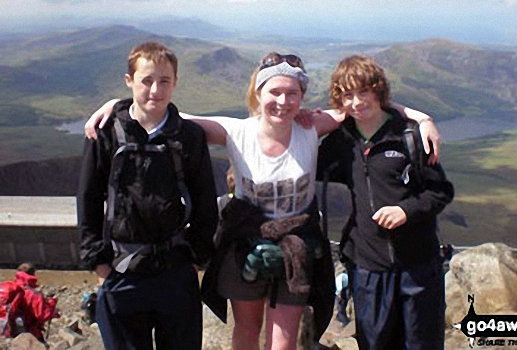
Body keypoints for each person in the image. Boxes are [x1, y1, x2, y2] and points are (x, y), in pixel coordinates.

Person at [85, 51, 441, 350]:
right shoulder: (235, 132)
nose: (283, 102)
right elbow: (160, 110)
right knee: (246, 330)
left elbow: (364, 104)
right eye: (275, 92)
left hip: (296, 246)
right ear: (259, 93)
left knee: (283, 341)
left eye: (292, 93)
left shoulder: (311, 126)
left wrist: (420, 117)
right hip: (245, 243)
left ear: (302, 97)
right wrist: (117, 103)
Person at [77, 42, 218, 350]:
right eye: (146, 80)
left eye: (164, 81)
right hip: (121, 271)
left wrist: (195, 260)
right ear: (129, 82)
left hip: (176, 272)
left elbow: (206, 201)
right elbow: (88, 198)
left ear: (175, 83)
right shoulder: (106, 132)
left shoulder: (189, 137)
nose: (156, 90)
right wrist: (99, 265)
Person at [317, 55, 455, 350]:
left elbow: (440, 191)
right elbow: (300, 160)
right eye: (347, 95)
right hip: (368, 268)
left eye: (363, 92)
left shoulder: (410, 137)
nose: (356, 102)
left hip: (418, 265)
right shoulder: (339, 142)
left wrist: (405, 211)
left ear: (378, 91)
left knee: (423, 344)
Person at [3, 263, 59, 342]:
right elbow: (43, 315)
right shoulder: (33, 294)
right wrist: (52, 302)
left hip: (10, 333)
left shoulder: (10, 288)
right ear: (33, 274)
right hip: (30, 335)